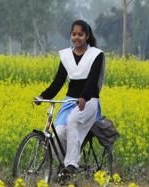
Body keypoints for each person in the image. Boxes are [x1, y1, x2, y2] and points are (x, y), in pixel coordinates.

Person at [36, 20, 105, 175]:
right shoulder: (66, 55)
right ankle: (61, 171)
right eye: (74, 34)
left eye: (80, 34)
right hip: (70, 101)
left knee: (72, 121)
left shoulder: (95, 55)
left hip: (89, 101)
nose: (76, 38)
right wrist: (43, 96)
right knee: (59, 132)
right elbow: (58, 81)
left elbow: (92, 80)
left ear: (87, 36)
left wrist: (84, 97)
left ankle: (71, 165)